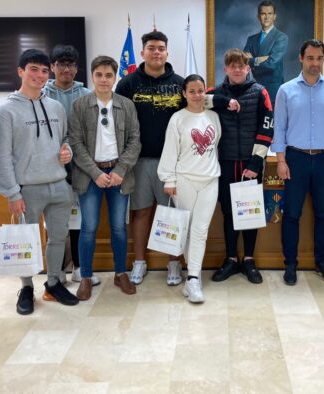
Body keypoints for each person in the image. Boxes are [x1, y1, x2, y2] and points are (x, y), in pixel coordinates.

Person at [0, 49, 78, 315]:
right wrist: (12, 193)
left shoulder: (55, 107)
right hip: (27, 189)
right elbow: (1, 156)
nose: (40, 75)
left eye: (44, 71)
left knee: (58, 237)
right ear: (20, 71)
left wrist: (67, 151)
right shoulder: (5, 112)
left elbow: (65, 139)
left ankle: (53, 283)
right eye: (33, 69)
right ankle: (27, 287)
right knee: (25, 242)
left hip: (59, 184)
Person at [272, 39, 324, 286]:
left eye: (319, 58)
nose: (315, 63)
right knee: (291, 214)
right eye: (310, 58)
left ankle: (322, 262)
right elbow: (280, 127)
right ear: (301, 59)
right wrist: (281, 160)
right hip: (295, 159)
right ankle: (290, 264)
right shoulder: (286, 90)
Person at [68, 56, 141, 301]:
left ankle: (120, 273)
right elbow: (76, 143)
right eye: (99, 74)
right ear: (92, 76)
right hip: (90, 176)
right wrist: (96, 173)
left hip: (119, 175)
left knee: (119, 227)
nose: (103, 79)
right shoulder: (79, 105)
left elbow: (135, 142)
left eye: (108, 75)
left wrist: (120, 170)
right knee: (88, 227)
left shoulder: (126, 105)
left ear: (115, 77)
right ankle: (86, 277)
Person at [115, 30, 185, 286]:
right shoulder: (127, 84)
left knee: (172, 214)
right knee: (141, 212)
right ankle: (139, 262)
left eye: (161, 48)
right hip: (139, 161)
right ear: (142, 52)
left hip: (172, 164)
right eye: (152, 48)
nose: (157, 52)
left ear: (167, 52)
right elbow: (119, 124)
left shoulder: (180, 83)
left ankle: (174, 263)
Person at [208, 48, 274, 284]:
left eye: (241, 66)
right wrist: (224, 101)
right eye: (232, 66)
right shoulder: (215, 93)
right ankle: (230, 259)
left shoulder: (260, 92)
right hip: (225, 163)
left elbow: (267, 127)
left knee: (249, 213)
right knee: (228, 213)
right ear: (225, 69)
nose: (237, 69)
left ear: (248, 68)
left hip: (250, 163)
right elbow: (193, 100)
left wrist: (256, 162)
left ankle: (248, 260)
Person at [158, 75, 221, 303]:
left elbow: (215, 146)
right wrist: (169, 180)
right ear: (184, 93)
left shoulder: (213, 117)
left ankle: (193, 278)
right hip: (184, 181)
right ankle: (193, 277)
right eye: (192, 91)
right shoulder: (177, 119)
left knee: (200, 230)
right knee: (186, 229)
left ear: (206, 92)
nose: (197, 95)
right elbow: (170, 150)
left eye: (200, 90)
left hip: (210, 180)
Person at [43, 44, 96, 286]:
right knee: (55, 222)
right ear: (52, 67)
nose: (66, 69)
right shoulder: (42, 94)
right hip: (50, 168)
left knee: (78, 219)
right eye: (61, 64)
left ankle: (79, 266)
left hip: (80, 167)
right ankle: (58, 270)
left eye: (71, 64)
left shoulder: (86, 94)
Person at [243, 0, 289, 104]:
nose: (267, 17)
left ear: (274, 17)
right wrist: (262, 59)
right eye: (263, 14)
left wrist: (252, 60)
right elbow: (243, 62)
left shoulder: (281, 38)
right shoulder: (251, 39)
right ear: (258, 17)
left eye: (270, 14)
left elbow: (271, 64)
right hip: (253, 90)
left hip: (273, 92)